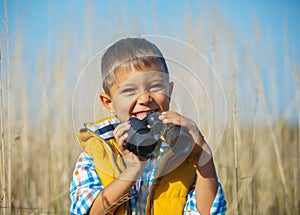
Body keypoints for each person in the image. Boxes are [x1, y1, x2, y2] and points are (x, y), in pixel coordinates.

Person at [70, 37, 227, 215]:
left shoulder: (184, 154)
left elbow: (208, 212)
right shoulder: (97, 155)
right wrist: (132, 171)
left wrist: (203, 155)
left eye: (155, 87)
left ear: (170, 92)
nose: (145, 98)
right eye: (129, 90)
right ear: (109, 103)